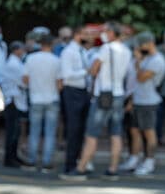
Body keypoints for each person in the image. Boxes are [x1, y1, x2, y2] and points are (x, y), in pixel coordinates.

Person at [62, 22, 132, 181]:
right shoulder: (126, 50)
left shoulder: (106, 48)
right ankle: (113, 169)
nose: (104, 34)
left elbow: (94, 70)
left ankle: (81, 169)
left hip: (104, 94)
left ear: (112, 33)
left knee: (92, 133)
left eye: (106, 31)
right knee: (116, 133)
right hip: (119, 93)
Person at [120, 32, 165, 176]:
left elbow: (141, 78)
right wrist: (132, 100)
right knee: (134, 130)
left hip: (149, 101)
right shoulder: (147, 58)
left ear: (149, 43)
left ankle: (149, 161)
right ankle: (134, 158)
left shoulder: (157, 60)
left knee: (148, 132)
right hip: (139, 100)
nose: (139, 48)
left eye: (141, 45)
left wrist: (139, 62)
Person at [22, 34, 62, 172]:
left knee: (34, 131)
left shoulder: (31, 59)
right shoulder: (56, 60)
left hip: (35, 98)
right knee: (50, 133)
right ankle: (46, 162)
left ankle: (31, 161)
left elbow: (25, 79)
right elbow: (59, 83)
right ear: (52, 45)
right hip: (52, 98)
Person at [60, 26, 91, 173]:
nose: (88, 37)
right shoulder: (69, 52)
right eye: (85, 34)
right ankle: (70, 163)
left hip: (83, 92)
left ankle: (79, 160)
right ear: (77, 35)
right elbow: (67, 74)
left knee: (81, 130)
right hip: (72, 92)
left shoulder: (82, 51)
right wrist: (86, 72)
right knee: (73, 129)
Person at [1, 41, 27, 167]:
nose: (23, 52)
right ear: (16, 50)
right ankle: (9, 159)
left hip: (15, 100)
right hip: (12, 101)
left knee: (15, 131)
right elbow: (24, 82)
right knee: (12, 132)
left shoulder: (16, 62)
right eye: (22, 49)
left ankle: (13, 156)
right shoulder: (13, 64)